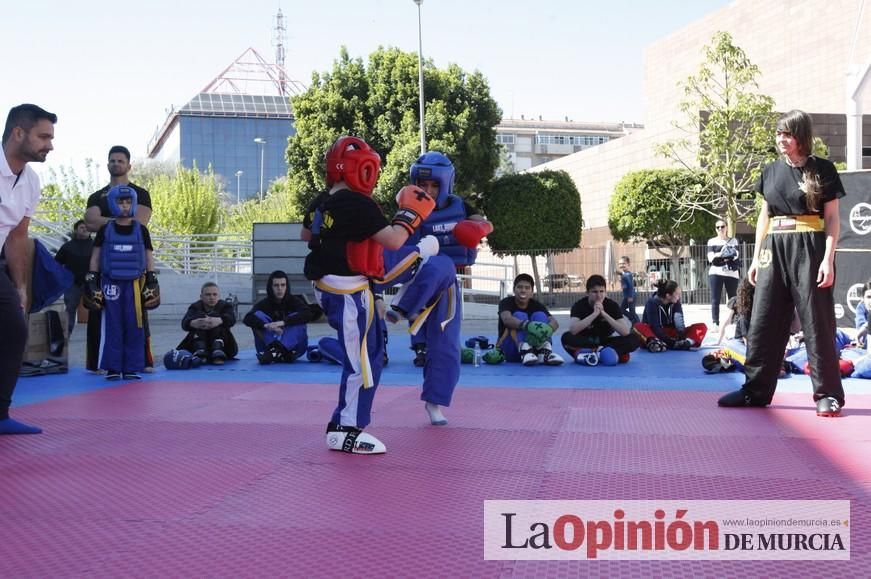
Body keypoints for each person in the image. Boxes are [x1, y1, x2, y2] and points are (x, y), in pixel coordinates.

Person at [301, 135, 435, 455]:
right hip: (345, 293)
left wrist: (373, 292)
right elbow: (392, 240)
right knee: (360, 362)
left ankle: (353, 420)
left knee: (372, 353)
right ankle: (344, 428)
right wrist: (412, 214)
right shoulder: (357, 203)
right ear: (358, 169)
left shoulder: (323, 199)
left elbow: (307, 234)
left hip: (345, 287)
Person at [718, 110, 845, 417]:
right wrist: (757, 257)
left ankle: (827, 394)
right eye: (778, 134)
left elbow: (831, 220)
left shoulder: (823, 169)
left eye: (786, 134)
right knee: (763, 320)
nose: (780, 139)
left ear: (801, 136)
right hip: (774, 248)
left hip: (810, 248)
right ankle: (754, 391)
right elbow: (765, 216)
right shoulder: (771, 170)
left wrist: (828, 259)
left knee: (817, 322)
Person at [403, 151, 493, 366]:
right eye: (423, 185)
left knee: (447, 315)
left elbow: (486, 224)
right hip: (421, 272)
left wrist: (476, 228)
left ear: (445, 184)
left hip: (448, 274)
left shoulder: (459, 206)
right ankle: (421, 348)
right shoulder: (409, 208)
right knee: (418, 310)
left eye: (433, 186)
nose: (428, 191)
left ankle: (445, 347)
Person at [0, 103, 56, 434]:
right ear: (18, 133)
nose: (49, 144)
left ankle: (1, 415)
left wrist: (20, 287)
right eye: (43, 136)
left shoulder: (31, 181)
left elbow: (18, 235)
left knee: (14, 328)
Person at [85, 145, 154, 373]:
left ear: (128, 165)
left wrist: (151, 277)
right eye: (112, 161)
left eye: (120, 161)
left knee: (136, 319)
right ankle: (100, 364)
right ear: (108, 165)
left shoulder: (141, 193)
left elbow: (140, 221)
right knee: (102, 317)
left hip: (134, 270)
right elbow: (91, 223)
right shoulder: (96, 196)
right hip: (107, 268)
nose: (116, 164)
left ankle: (140, 363)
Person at [561, 274, 640, 365]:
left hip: (606, 342)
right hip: (586, 341)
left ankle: (597, 353)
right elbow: (573, 330)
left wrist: (604, 314)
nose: (599, 296)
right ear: (587, 293)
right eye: (594, 292)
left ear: (605, 292)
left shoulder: (612, 305)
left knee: (634, 338)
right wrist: (594, 314)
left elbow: (625, 331)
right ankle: (609, 353)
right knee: (566, 337)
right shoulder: (579, 305)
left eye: (601, 291)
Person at [243, 270, 316, 364]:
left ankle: (276, 352)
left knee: (298, 318)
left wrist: (283, 323)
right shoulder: (265, 303)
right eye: (276, 285)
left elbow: (308, 314)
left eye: (283, 285)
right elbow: (248, 318)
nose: (280, 288)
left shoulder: (294, 301)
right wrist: (266, 325)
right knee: (257, 316)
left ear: (287, 286)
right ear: (271, 287)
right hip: (269, 344)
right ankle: (276, 351)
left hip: (294, 349)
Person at [495, 273, 564, 366]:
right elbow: (507, 319)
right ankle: (524, 350)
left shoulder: (537, 305)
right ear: (514, 290)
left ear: (532, 292)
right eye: (520, 287)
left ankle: (544, 352)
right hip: (511, 349)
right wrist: (528, 325)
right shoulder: (506, 302)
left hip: (534, 350)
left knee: (540, 315)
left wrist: (546, 330)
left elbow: (555, 323)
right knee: (519, 315)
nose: (523, 290)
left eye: (527, 288)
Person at [635, 279, 708, 351]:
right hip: (655, 333)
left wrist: (681, 337)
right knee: (637, 326)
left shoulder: (675, 302)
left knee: (701, 326)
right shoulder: (652, 303)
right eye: (677, 294)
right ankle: (655, 342)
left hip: (672, 334)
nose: (679, 296)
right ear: (668, 295)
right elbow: (655, 327)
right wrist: (671, 342)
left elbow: (679, 322)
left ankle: (687, 343)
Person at [179, 281, 238, 365]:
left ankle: (218, 350)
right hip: (199, 341)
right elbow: (184, 323)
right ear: (201, 296)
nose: (211, 297)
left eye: (214, 294)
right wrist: (193, 323)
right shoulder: (195, 307)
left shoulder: (225, 306)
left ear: (219, 296)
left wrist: (219, 320)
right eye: (208, 294)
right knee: (200, 318)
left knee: (217, 320)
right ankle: (201, 350)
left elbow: (232, 319)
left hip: (225, 345)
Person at [54, 219, 93, 335]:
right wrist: (63, 279)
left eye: (87, 227)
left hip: (91, 284)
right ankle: (66, 334)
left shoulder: (96, 246)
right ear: (76, 230)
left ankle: (96, 335)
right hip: (72, 284)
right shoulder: (67, 247)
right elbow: (56, 264)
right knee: (70, 310)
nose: (85, 229)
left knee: (95, 310)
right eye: (82, 227)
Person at [707, 218, 740, 332]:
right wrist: (723, 253)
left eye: (722, 226)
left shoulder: (733, 241)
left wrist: (720, 257)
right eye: (718, 227)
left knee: (733, 298)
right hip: (716, 273)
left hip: (731, 273)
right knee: (715, 299)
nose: (720, 229)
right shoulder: (711, 241)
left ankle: (735, 322)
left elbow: (735, 255)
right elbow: (711, 258)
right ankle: (715, 323)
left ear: (726, 228)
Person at [617, 256, 639, 324]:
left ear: (628, 264)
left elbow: (630, 286)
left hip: (630, 296)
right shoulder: (625, 273)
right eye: (620, 264)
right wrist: (620, 273)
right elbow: (624, 276)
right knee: (622, 309)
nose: (621, 265)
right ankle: (634, 321)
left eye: (623, 263)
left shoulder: (627, 275)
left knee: (631, 311)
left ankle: (636, 323)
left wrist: (630, 296)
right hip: (627, 296)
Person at [856, 280, 870, 349]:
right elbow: (860, 325)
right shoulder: (861, 307)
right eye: (869, 297)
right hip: (864, 342)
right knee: (838, 334)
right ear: (862, 299)